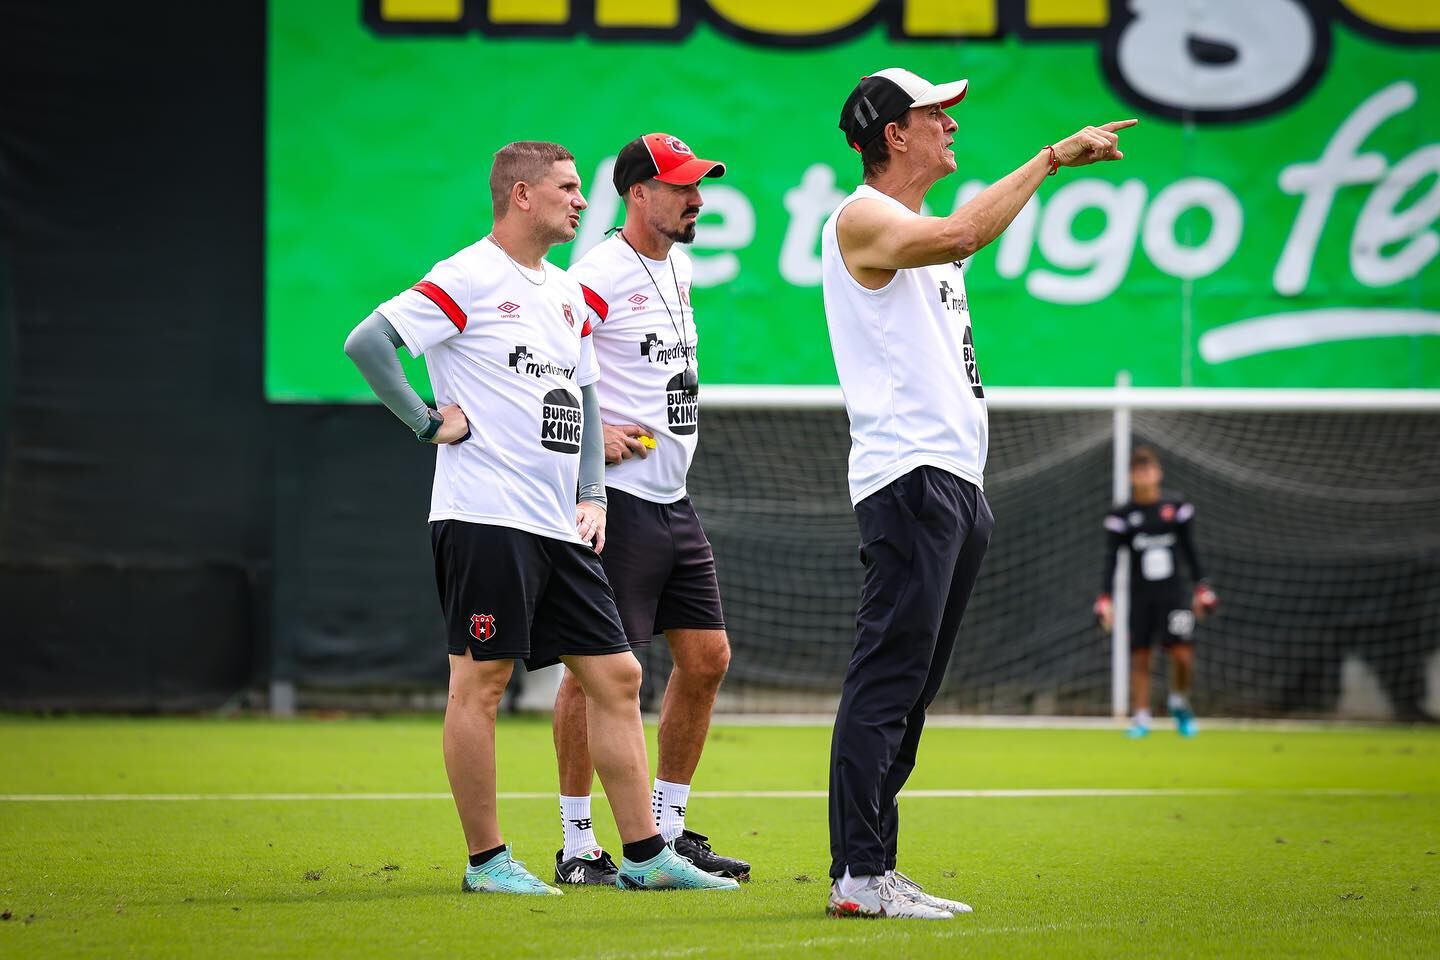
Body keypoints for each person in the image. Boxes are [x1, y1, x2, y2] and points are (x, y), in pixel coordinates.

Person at [342, 140, 737, 895]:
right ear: (521, 195)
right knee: (480, 684)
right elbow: (369, 343)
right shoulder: (469, 274)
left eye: (581, 187)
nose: (581, 200)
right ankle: (489, 862)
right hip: (485, 515)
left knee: (618, 674)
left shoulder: (559, 292)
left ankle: (647, 856)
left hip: (561, 522)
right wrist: (427, 423)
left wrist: (591, 493)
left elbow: (587, 396)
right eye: (566, 187)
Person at [820, 67, 1137, 920]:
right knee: (887, 681)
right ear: (894, 133)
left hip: (954, 479)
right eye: (936, 116)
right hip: (910, 479)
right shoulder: (862, 217)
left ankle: (877, 867)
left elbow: (952, 242)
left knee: (913, 689)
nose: (951, 127)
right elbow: (966, 235)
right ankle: (856, 875)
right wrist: (1051, 158)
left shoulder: (914, 224)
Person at [549, 133, 750, 887]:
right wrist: (587, 432)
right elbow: (544, 357)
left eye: (699, 185)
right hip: (620, 505)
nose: (697, 198)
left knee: (706, 659)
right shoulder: (595, 275)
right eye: (681, 186)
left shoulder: (680, 264)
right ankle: (576, 846)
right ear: (639, 194)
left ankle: (665, 830)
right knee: (595, 676)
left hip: (673, 500)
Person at [1095, 446, 1218, 738]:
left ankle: (1178, 702)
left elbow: (1191, 551)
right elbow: (1112, 559)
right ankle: (1141, 718)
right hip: (1140, 598)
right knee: (1140, 657)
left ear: (1159, 473)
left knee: (1183, 655)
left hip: (1173, 597)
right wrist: (1105, 597)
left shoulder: (1175, 508)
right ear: (1130, 477)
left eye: (1149, 470)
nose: (1144, 476)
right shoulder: (1123, 515)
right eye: (1138, 471)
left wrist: (1203, 587)